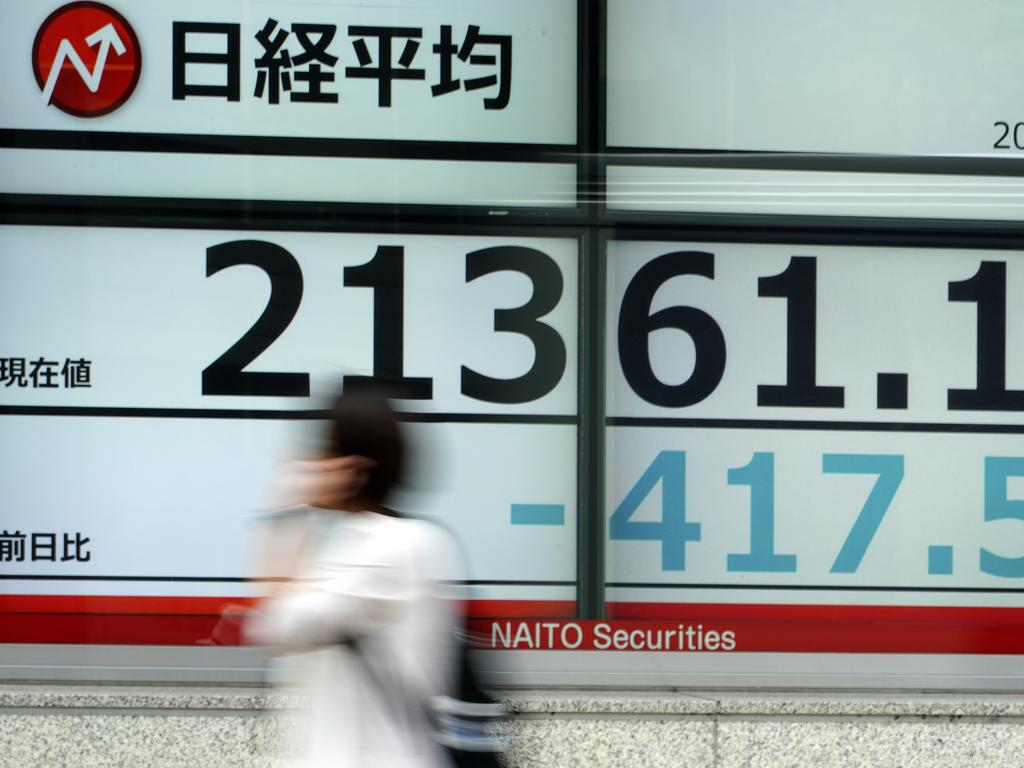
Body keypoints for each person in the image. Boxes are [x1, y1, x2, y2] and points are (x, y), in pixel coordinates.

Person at [246, 388, 458, 768]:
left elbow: (279, 625)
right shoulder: (354, 542)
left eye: (321, 452)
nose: (307, 464)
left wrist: (289, 503)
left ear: (353, 468)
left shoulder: (393, 548)